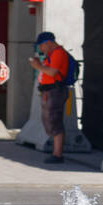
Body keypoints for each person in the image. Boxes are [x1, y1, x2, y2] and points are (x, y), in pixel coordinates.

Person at [30, 31, 72, 164]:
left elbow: (52, 72)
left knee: (54, 120)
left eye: (41, 46)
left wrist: (38, 66)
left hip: (55, 91)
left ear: (48, 43)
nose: (40, 49)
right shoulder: (51, 54)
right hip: (49, 91)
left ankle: (57, 154)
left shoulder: (58, 53)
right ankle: (56, 152)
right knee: (49, 120)